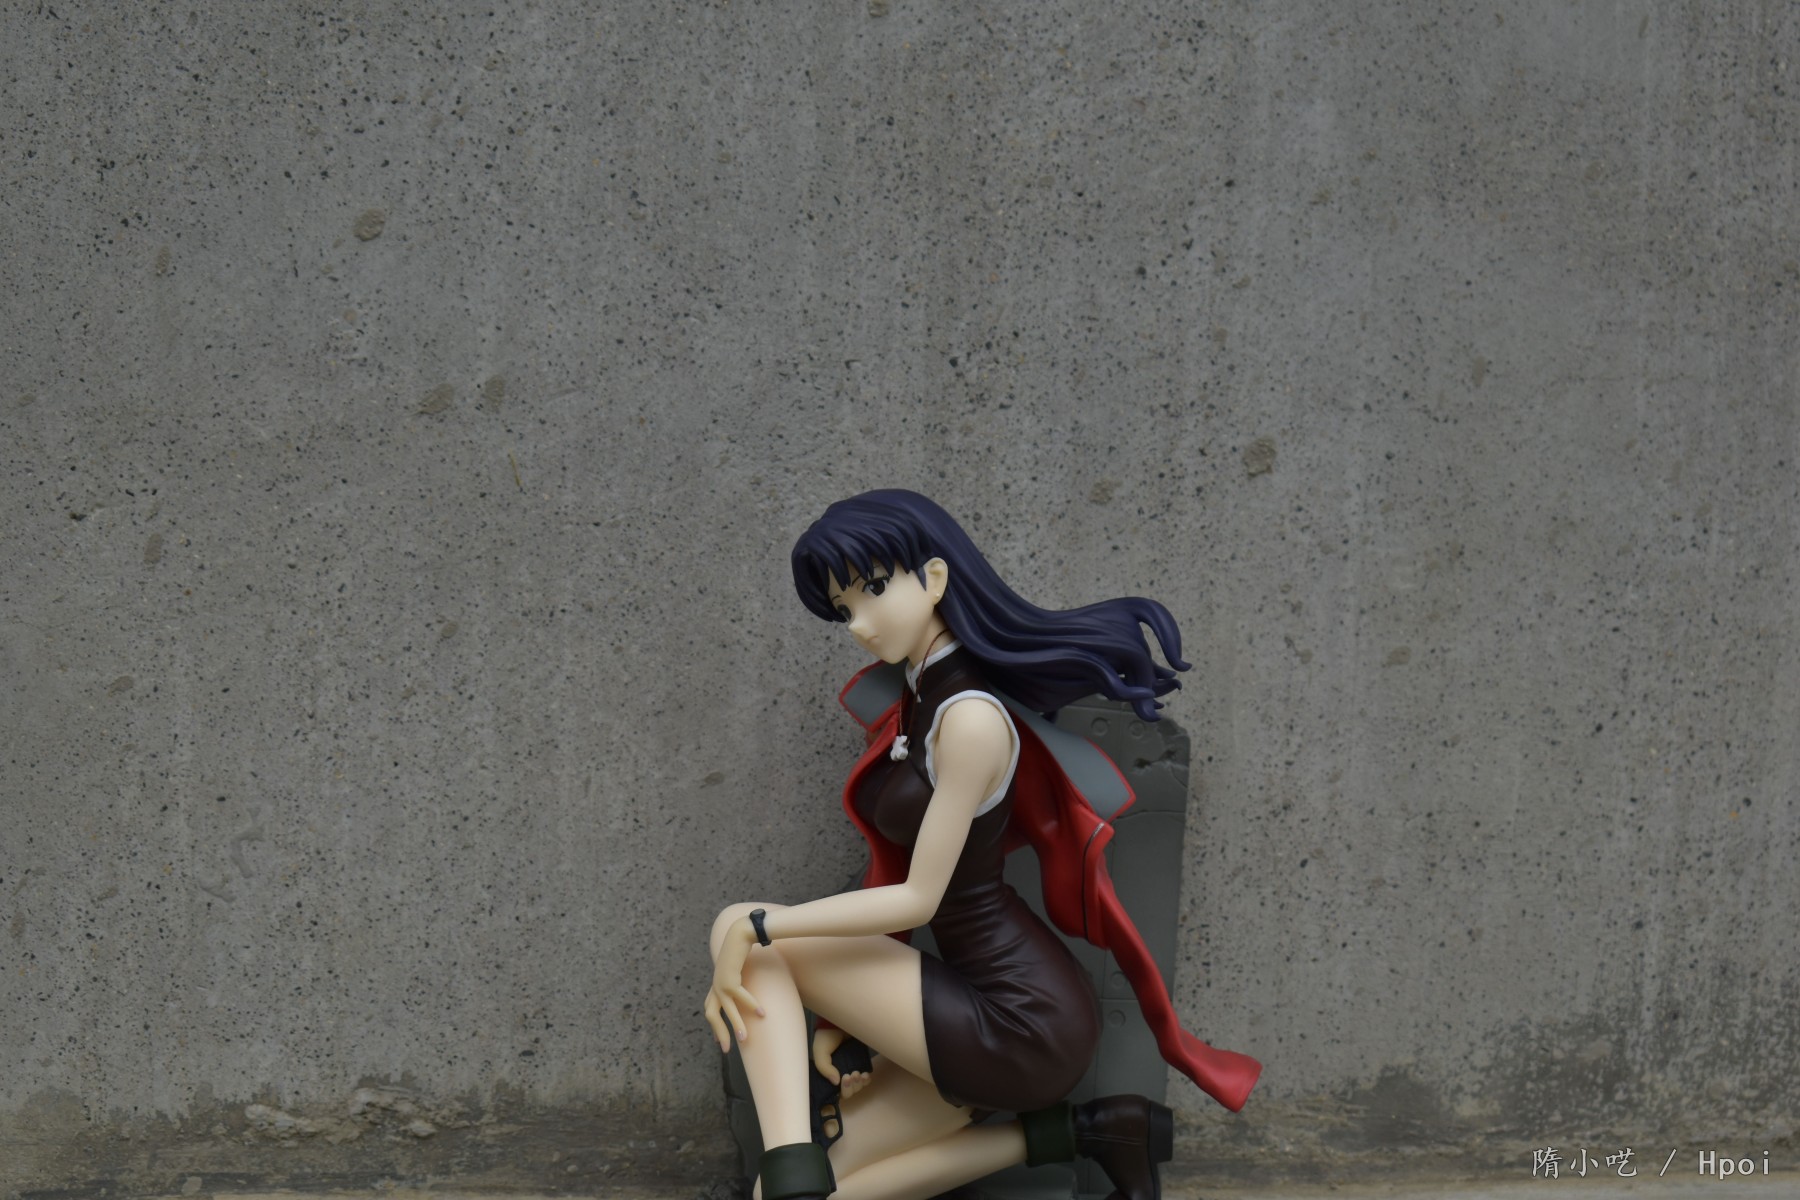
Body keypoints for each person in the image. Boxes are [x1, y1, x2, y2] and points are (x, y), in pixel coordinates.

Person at [705, 490, 1258, 1200]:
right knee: (811, 1188)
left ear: (934, 578)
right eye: (845, 608)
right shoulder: (920, 695)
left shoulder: (968, 721)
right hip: (969, 1005)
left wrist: (760, 928)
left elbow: (918, 897)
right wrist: (845, 1013)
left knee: (740, 928)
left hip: (1020, 1020)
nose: (859, 624)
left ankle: (792, 1175)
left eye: (874, 589)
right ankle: (1098, 1132)